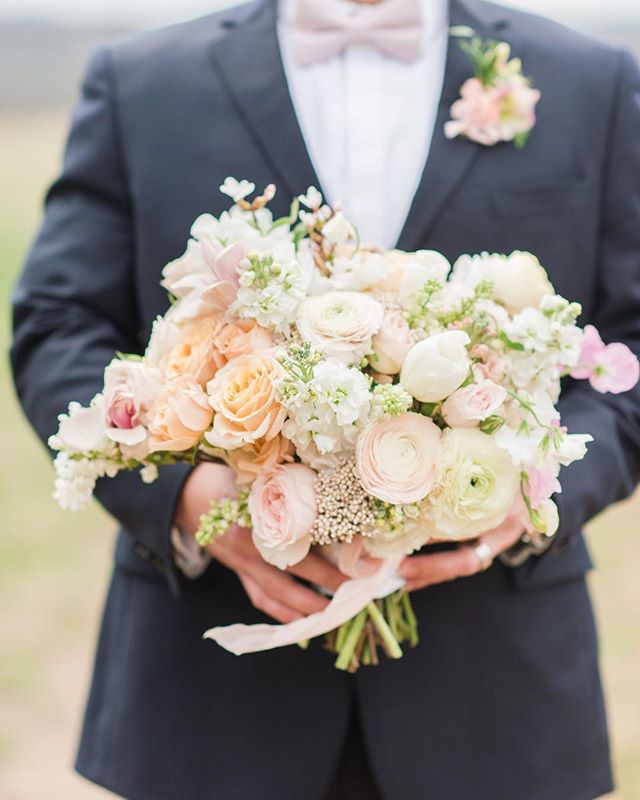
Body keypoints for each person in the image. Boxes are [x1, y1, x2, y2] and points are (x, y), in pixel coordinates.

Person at [10, 0, 640, 798]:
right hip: (211, 701)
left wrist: (530, 496)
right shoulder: (141, 84)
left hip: (496, 700)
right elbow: (56, 327)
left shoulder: (591, 80)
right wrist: (191, 500)